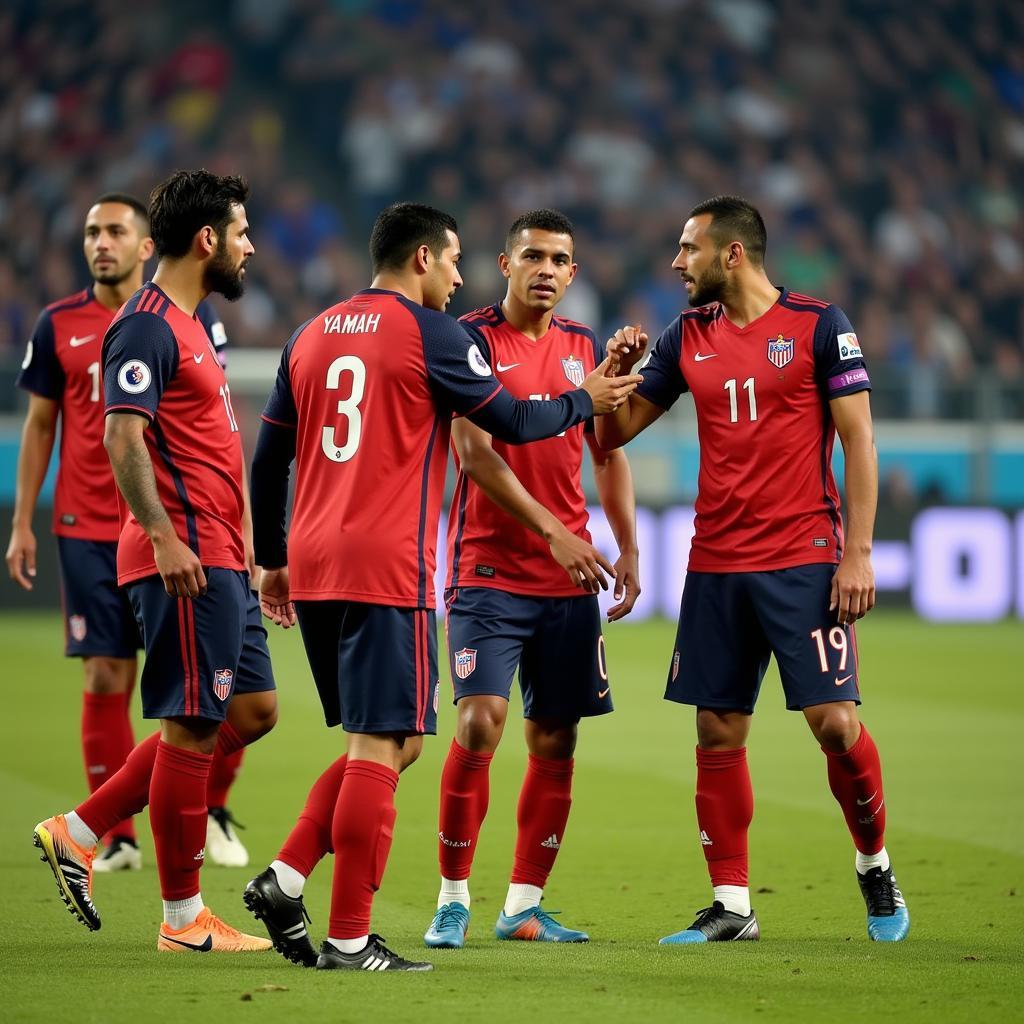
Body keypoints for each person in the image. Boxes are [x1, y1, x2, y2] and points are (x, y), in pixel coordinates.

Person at [243, 202, 642, 972]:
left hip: (314, 560)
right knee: (381, 743)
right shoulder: (437, 336)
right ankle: (352, 937)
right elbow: (513, 427)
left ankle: (288, 876)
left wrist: (272, 557)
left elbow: (267, 462)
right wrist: (581, 403)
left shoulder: (310, 332)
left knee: (397, 742)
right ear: (423, 257)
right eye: (454, 260)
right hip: (388, 566)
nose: (458, 276)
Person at [598, 196, 909, 944]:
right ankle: (733, 905)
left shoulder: (819, 325)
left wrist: (857, 552)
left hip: (802, 557)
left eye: (688, 249)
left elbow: (859, 442)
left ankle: (874, 864)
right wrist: (612, 373)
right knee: (717, 728)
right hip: (717, 561)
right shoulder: (684, 337)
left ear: (731, 254)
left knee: (834, 726)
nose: (677, 263)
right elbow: (612, 436)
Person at [32, 170, 278, 953]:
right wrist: (166, 536)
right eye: (240, 234)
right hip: (183, 556)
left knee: (252, 711)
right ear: (207, 240)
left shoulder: (192, 322)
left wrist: (255, 550)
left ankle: (80, 827)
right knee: (192, 725)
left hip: (223, 556)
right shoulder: (144, 326)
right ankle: (182, 921)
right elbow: (119, 436)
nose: (249, 248)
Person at [7, 193, 247, 872]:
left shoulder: (195, 322)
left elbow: (213, 428)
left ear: (148, 245)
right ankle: (115, 840)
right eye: (90, 232)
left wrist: (241, 528)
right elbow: (44, 426)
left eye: (115, 231)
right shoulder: (61, 324)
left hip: (192, 529)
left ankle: (193, 811)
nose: (100, 243)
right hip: (100, 525)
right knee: (115, 674)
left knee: (237, 704)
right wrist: (24, 520)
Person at [423, 209, 640, 950]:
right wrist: (553, 533)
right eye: (534, 256)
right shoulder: (471, 340)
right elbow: (476, 453)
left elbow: (607, 451)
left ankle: (522, 905)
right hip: (490, 571)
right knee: (479, 723)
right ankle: (452, 897)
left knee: (555, 738)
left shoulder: (586, 349)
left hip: (569, 579)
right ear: (503, 264)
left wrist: (629, 546)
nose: (547, 269)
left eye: (560, 259)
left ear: (574, 273)